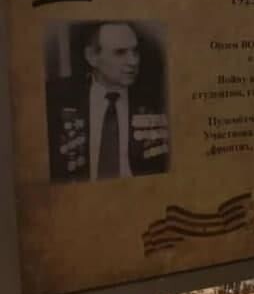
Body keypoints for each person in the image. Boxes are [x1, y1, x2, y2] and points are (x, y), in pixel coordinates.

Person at [46, 21, 169, 182]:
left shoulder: (157, 99)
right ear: (92, 57)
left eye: (135, 51)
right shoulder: (59, 98)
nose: (133, 61)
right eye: (120, 52)